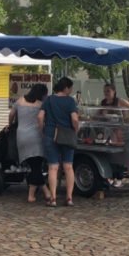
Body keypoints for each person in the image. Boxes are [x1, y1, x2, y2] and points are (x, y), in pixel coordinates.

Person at [39, 77, 80, 207]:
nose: (71, 90)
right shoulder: (70, 101)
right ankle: (69, 198)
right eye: (70, 88)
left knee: (53, 167)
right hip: (67, 135)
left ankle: (53, 198)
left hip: (50, 134)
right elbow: (74, 119)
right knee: (68, 167)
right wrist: (76, 130)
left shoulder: (49, 100)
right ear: (66, 88)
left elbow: (40, 116)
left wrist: (42, 130)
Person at [10, 83, 51, 203]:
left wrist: (10, 124)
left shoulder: (20, 101)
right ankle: (38, 193)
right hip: (36, 137)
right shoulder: (41, 105)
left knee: (34, 166)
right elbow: (43, 119)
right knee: (36, 166)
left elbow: (11, 114)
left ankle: (38, 193)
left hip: (21, 136)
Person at [100, 83, 129, 186]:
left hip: (119, 130)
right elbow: (99, 114)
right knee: (108, 154)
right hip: (107, 131)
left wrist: (127, 117)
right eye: (105, 91)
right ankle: (111, 176)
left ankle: (119, 177)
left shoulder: (119, 101)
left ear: (114, 92)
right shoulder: (103, 102)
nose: (106, 93)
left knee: (118, 154)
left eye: (108, 91)